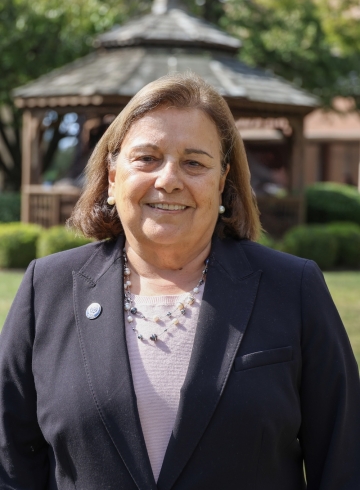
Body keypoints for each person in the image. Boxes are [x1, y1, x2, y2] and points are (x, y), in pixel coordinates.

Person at [0, 73, 359, 490]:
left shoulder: (294, 288)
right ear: (112, 178)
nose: (168, 179)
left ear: (221, 182)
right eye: (147, 158)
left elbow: (344, 464)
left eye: (194, 162)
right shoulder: (47, 288)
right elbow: (10, 464)